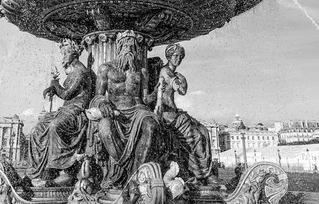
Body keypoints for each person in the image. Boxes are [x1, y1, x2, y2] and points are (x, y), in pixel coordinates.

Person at [87, 30, 164, 187]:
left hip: (138, 110)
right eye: (126, 45)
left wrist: (158, 90)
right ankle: (123, 168)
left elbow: (145, 99)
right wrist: (103, 104)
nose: (129, 48)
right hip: (115, 111)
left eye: (132, 46)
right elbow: (97, 96)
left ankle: (136, 175)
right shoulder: (106, 68)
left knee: (151, 125)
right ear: (119, 47)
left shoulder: (141, 72)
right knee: (104, 128)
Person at [28, 39, 92, 186]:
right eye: (62, 53)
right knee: (37, 129)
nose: (63, 56)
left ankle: (56, 168)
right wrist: (53, 88)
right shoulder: (71, 72)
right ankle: (35, 171)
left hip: (76, 111)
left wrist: (55, 85)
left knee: (54, 126)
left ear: (75, 53)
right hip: (65, 110)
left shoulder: (81, 71)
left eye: (66, 52)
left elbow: (67, 95)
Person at [155, 43, 216, 185]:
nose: (178, 59)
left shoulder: (173, 73)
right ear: (169, 57)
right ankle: (202, 174)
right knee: (195, 137)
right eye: (175, 56)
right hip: (167, 115)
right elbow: (180, 89)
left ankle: (205, 171)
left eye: (180, 57)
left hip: (175, 113)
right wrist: (179, 81)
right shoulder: (165, 71)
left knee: (204, 131)